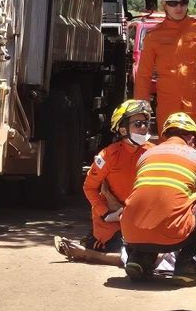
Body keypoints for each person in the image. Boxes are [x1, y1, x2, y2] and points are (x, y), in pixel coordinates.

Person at [121, 112, 196, 282]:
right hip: (170, 234)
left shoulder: (146, 155)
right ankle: (189, 268)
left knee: (154, 207)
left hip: (130, 232)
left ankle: (139, 259)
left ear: (165, 136)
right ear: (192, 138)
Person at [54, 99, 153, 266]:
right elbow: (89, 187)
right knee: (126, 257)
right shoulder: (108, 156)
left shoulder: (154, 153)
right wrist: (106, 213)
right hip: (113, 223)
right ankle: (87, 251)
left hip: (141, 220)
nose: (143, 128)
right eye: (137, 124)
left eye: (145, 123)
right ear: (122, 130)